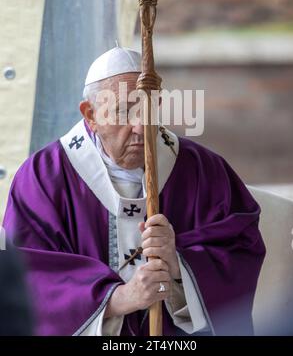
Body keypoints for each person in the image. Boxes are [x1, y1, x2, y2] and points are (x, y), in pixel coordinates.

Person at [3, 47, 265, 336]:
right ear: (90, 114)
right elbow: (26, 274)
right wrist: (117, 300)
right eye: (124, 110)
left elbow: (240, 248)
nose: (140, 126)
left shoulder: (203, 170)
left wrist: (179, 264)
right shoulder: (43, 178)